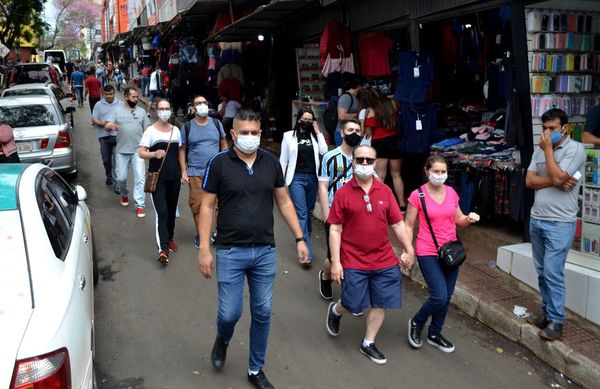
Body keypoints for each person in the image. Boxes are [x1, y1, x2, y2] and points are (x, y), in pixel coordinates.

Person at [198, 110, 309, 389]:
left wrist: (299, 237)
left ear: (261, 133)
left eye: (255, 133)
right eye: (244, 132)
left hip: (264, 251)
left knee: (262, 312)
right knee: (229, 314)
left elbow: (283, 202)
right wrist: (204, 249)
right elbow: (207, 206)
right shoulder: (219, 164)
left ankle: (255, 369)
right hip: (229, 251)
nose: (250, 137)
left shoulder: (270, 163)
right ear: (233, 134)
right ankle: (222, 340)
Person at [325, 145, 415, 364]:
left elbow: (397, 223)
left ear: (375, 163)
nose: (364, 164)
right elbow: (335, 229)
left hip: (383, 259)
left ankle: (368, 342)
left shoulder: (385, 191)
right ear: (353, 162)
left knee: (380, 300)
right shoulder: (343, 193)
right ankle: (336, 310)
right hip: (353, 259)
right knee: (352, 303)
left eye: (369, 160)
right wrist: (336, 262)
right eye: (360, 160)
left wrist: (408, 249)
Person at [404, 154, 480, 353]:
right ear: (426, 172)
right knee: (438, 295)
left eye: (443, 172)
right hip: (427, 250)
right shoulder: (417, 195)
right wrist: (408, 250)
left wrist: (469, 219)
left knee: (447, 297)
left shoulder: (452, 193)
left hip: (451, 251)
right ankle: (417, 322)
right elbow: (409, 225)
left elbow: (459, 220)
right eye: (435, 171)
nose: (439, 175)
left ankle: (434, 334)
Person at [525, 108, 585, 341]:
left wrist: (549, 151)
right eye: (544, 128)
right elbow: (530, 181)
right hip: (538, 218)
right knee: (541, 272)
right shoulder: (538, 150)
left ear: (565, 128)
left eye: (552, 129)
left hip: (560, 222)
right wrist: (556, 180)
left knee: (553, 272)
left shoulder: (575, 149)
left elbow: (562, 179)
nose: (547, 133)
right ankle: (547, 313)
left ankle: (557, 321)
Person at [318, 119, 363, 300]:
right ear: (342, 133)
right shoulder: (330, 157)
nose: (354, 133)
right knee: (332, 257)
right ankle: (325, 276)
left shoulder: (364, 158)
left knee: (353, 255)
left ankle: (351, 295)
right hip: (335, 215)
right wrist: (327, 215)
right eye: (350, 130)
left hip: (356, 216)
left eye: (358, 130)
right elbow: (323, 186)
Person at [279, 107, 328, 265]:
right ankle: (306, 251)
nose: (307, 122)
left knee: (308, 212)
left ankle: (303, 239)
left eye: (310, 119)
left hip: (313, 178)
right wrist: (281, 183)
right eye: (305, 119)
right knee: (301, 213)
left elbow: (324, 151)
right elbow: (283, 160)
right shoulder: (288, 136)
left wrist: (318, 132)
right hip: (296, 179)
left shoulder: (315, 137)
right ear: (299, 119)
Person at [178, 95, 228, 248]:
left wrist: (226, 164)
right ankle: (202, 235)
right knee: (198, 205)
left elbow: (224, 144)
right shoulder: (187, 127)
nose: (202, 105)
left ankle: (220, 234)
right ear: (193, 108)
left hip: (217, 172)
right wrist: (184, 171)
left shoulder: (216, 123)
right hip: (195, 172)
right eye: (198, 103)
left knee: (222, 205)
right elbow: (182, 150)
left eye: (204, 103)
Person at [139, 99, 182, 264]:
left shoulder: (177, 130)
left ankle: (170, 238)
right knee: (162, 212)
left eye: (167, 108)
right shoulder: (150, 131)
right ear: (156, 111)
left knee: (171, 211)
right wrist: (154, 154)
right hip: (157, 178)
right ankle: (163, 249)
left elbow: (180, 153)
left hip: (174, 177)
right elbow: (141, 152)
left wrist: (183, 172)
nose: (165, 111)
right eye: (161, 109)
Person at [105, 87, 151, 217]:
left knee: (140, 179)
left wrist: (147, 145)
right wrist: (110, 126)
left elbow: (147, 129)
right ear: (126, 97)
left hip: (138, 151)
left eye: (137, 97)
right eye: (133, 97)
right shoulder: (117, 111)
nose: (136, 99)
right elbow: (107, 125)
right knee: (121, 178)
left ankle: (140, 205)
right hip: (121, 151)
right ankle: (124, 193)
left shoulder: (141, 112)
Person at [363, 88, 406, 208]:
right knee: (396, 174)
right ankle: (402, 203)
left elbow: (368, 133)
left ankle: (378, 203)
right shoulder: (392, 104)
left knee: (380, 175)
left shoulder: (371, 111)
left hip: (379, 143)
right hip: (395, 141)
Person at [92, 84, 123, 191]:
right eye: (106, 94)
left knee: (117, 161)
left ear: (114, 93)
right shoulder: (98, 105)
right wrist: (104, 124)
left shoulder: (121, 104)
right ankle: (109, 176)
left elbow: (125, 118)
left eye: (111, 94)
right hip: (103, 137)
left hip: (117, 137)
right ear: (103, 94)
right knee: (106, 160)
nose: (109, 96)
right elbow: (94, 120)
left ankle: (116, 185)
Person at [334, 76, 362, 146]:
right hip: (343, 133)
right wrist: (359, 114)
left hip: (351, 131)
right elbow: (342, 116)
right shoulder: (346, 97)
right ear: (358, 86)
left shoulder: (355, 97)